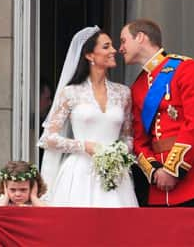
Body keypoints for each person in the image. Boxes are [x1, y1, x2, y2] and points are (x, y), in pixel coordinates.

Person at [38, 26, 138, 207]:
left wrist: (119, 152)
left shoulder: (123, 93)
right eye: (106, 47)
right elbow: (48, 138)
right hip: (78, 173)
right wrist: (85, 146)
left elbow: (128, 135)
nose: (114, 50)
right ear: (90, 55)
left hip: (114, 174)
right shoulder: (70, 93)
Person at [119, 18, 194, 207]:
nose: (120, 48)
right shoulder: (138, 86)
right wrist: (155, 171)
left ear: (141, 38)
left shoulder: (185, 68)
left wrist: (172, 170)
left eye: (123, 41)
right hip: (158, 185)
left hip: (190, 177)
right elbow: (139, 140)